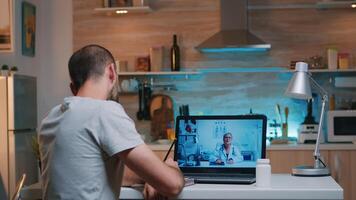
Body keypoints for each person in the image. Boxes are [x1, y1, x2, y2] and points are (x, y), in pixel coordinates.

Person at [38, 44, 184, 200]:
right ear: (112, 72)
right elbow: (172, 185)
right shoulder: (105, 111)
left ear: (73, 87)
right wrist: (170, 167)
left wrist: (150, 176)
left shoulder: (50, 118)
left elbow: (92, 172)